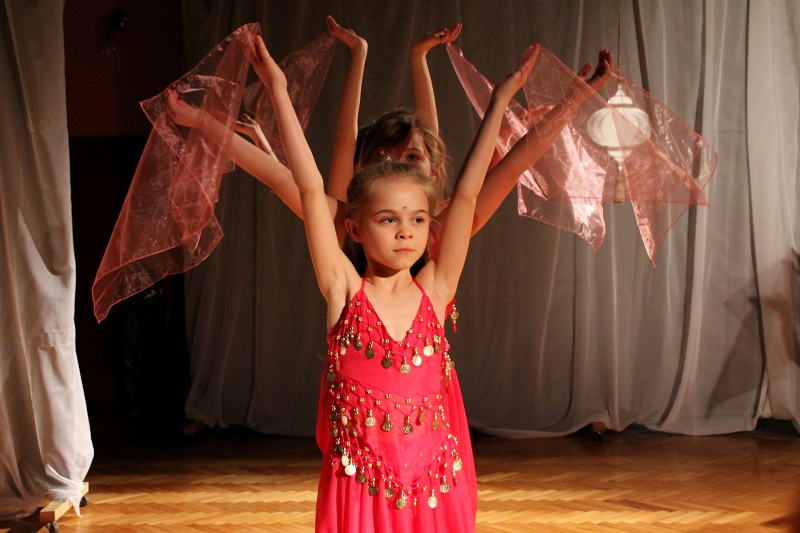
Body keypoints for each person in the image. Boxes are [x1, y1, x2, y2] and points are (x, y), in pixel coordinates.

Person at [251, 26, 526, 531]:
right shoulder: (344, 288)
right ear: (355, 227)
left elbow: (467, 194)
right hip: (361, 488)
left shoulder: (435, 289)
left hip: (433, 488)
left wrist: (501, 100)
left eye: (417, 219)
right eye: (388, 219)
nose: (406, 232)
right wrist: (278, 90)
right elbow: (311, 189)